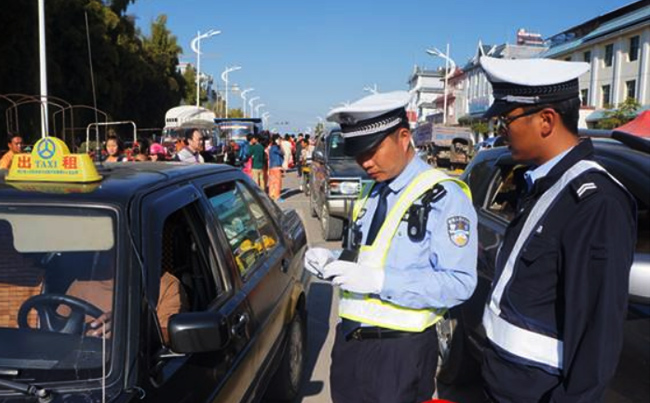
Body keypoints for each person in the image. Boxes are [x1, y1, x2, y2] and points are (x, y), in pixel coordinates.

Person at [478, 57, 637, 402]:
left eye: (506, 120)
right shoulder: (543, 185)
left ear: (546, 120)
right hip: (504, 383)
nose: (500, 132)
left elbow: (598, 339)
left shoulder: (595, 203)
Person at [304, 91, 477, 403]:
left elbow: (460, 283)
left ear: (403, 137)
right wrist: (329, 260)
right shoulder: (370, 192)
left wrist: (382, 282)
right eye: (358, 153)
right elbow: (364, 255)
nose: (365, 162)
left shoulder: (443, 196)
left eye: (372, 150)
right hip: (350, 345)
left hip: (401, 354)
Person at [268, 134, 284, 201]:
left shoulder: (272, 147)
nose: (280, 141)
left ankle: (271, 195)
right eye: (279, 139)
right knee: (277, 182)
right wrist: (280, 145)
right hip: (276, 167)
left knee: (272, 182)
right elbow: (282, 153)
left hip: (272, 166)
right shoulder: (276, 148)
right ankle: (277, 196)